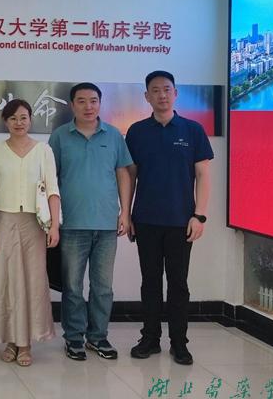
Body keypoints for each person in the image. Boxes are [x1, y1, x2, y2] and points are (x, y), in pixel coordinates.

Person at [125, 71, 213, 365]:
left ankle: (179, 343)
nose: (161, 95)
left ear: (176, 93)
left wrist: (200, 215)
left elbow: (203, 175)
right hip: (146, 220)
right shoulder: (137, 132)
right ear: (146, 96)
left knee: (178, 284)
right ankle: (149, 339)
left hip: (181, 221)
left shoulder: (192, 130)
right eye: (155, 90)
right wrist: (127, 213)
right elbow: (130, 176)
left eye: (166, 89)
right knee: (150, 282)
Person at [48, 83, 132, 362]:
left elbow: (123, 173)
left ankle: (98, 337)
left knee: (103, 287)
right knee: (72, 286)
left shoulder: (113, 135)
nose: (88, 106)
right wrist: (53, 220)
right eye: (82, 101)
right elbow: (49, 179)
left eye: (93, 100)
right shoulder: (60, 136)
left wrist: (125, 212)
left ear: (100, 103)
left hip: (107, 224)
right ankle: (74, 338)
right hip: (72, 224)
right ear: (72, 105)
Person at [0, 98, 60, 367]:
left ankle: (26, 342)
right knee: (6, 280)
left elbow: (52, 190)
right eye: (13, 118)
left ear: (30, 120)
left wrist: (54, 225)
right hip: (4, 220)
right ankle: (9, 339)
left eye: (23, 117)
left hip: (35, 223)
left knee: (33, 280)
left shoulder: (43, 150)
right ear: (5, 122)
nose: (19, 123)